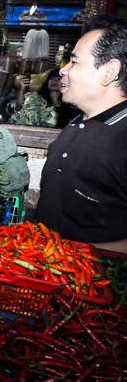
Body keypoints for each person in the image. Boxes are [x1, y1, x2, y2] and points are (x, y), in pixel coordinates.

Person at [34, 20, 127, 252]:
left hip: (89, 281)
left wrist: (77, 256)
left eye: (74, 62)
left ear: (109, 71)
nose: (63, 69)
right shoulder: (77, 123)